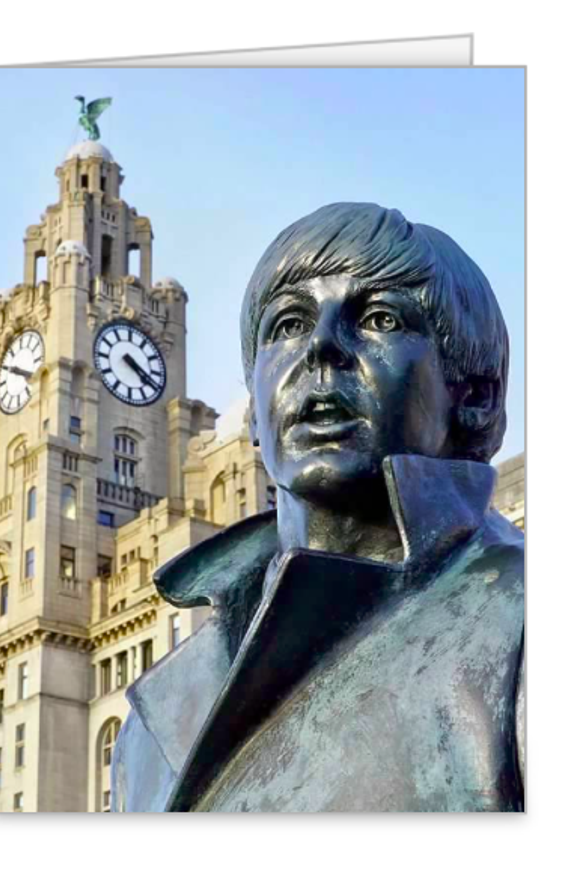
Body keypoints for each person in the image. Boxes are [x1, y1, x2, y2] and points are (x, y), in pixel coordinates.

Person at [112, 202, 524, 813]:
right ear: (254, 415)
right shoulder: (151, 723)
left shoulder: (526, 617)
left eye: (381, 318)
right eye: (287, 325)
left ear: (477, 397)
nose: (323, 347)